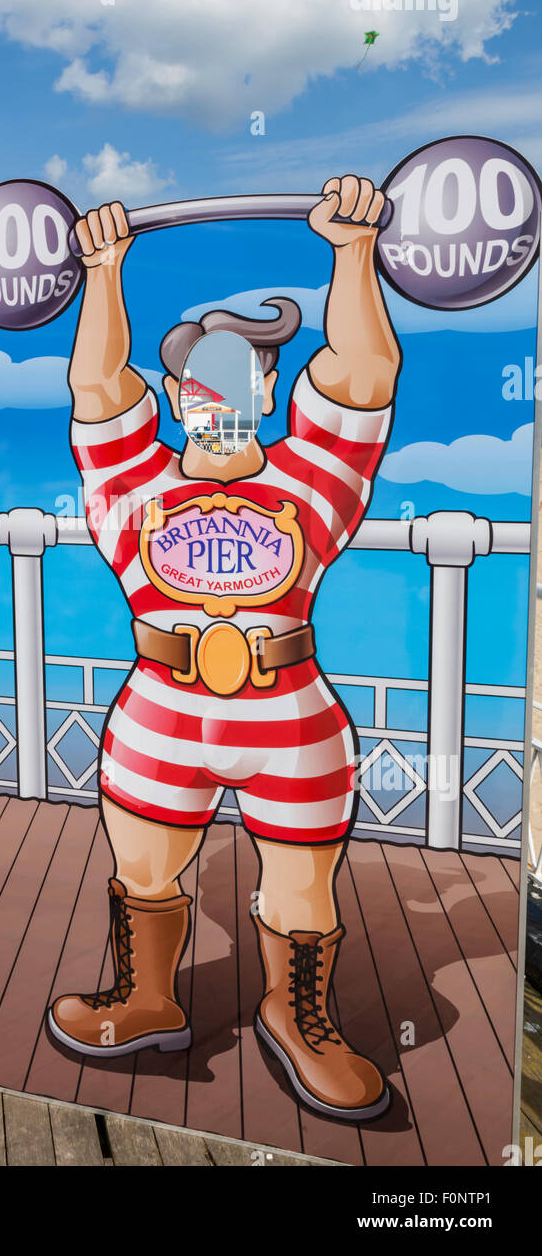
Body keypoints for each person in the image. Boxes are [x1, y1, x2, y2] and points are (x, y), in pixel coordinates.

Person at [48, 176, 401, 1123]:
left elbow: (364, 376)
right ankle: (146, 996)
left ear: (272, 387)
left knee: (300, 887)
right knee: (145, 874)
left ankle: (299, 1018)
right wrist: (104, 271)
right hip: (162, 712)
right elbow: (93, 384)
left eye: (243, 376)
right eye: (202, 378)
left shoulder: (310, 477)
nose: (221, 392)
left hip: (290, 718)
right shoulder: (132, 484)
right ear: (173, 393)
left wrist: (353, 252)